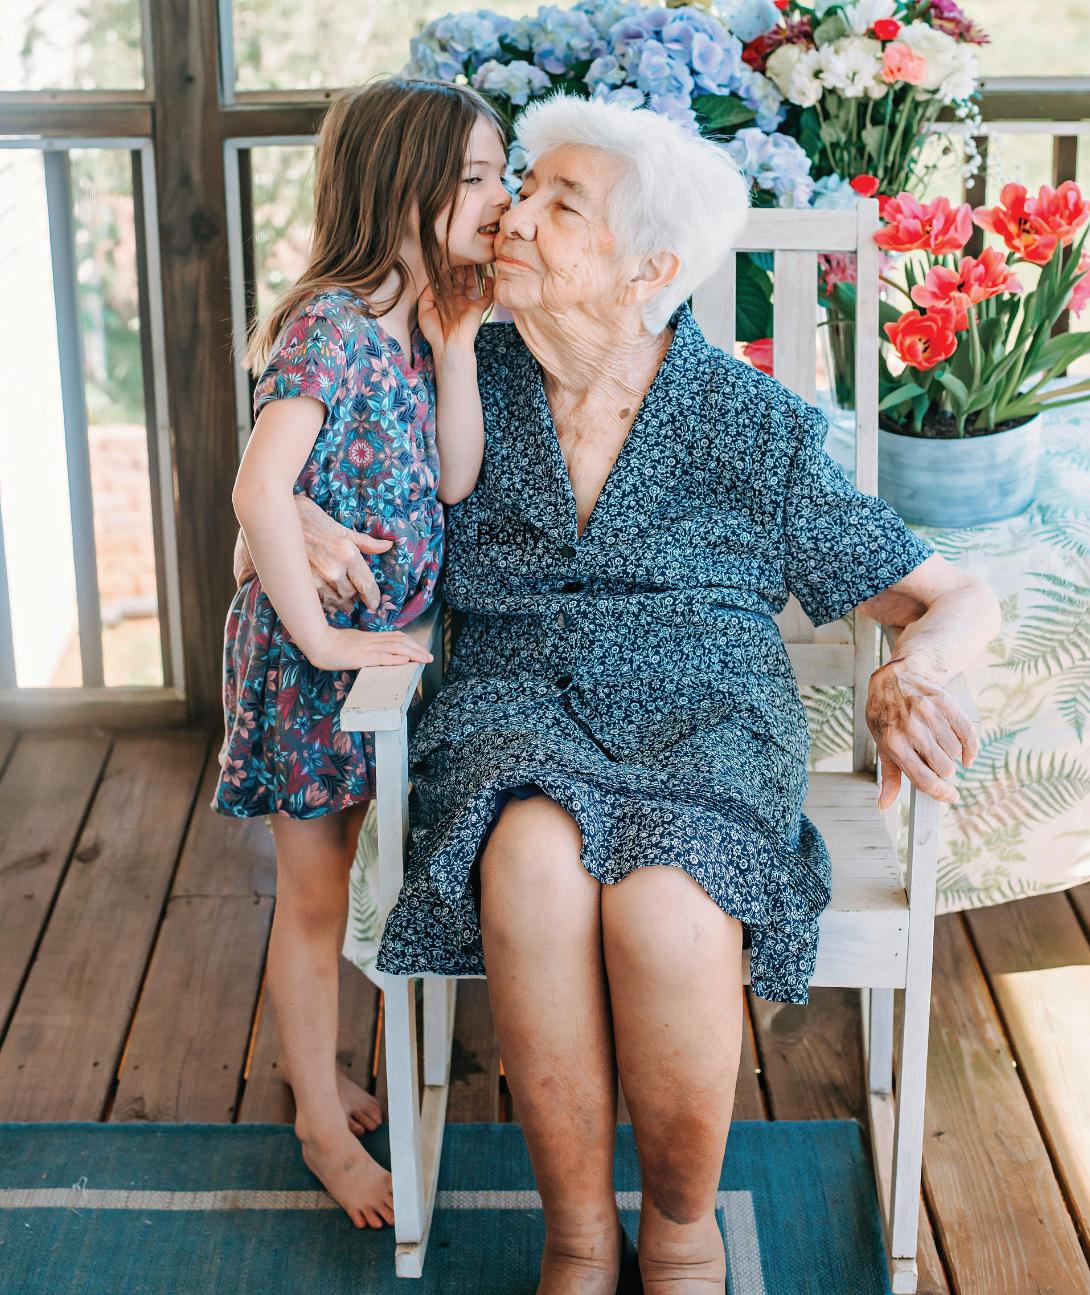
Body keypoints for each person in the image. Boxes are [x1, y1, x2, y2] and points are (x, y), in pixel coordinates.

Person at [236, 92, 1000, 1293]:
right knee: (532, 871)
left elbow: (952, 594)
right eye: (521, 186)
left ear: (647, 267)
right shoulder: (453, 359)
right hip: (512, 703)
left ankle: (683, 1231)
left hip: (709, 711)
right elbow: (294, 471)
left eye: (559, 203)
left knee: (671, 905)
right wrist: (289, 517)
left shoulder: (746, 422)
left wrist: (913, 672)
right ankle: (580, 1237)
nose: (513, 215)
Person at [211, 76, 510, 1232]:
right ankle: (318, 1125)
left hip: (382, 664)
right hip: (310, 668)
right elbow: (258, 489)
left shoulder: (415, 322)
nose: (499, 197)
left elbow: (453, 479)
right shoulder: (328, 326)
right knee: (314, 897)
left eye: (500, 173)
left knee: (349, 887)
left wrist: (459, 343)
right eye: (474, 178)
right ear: (402, 187)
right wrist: (321, 633)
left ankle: (317, 1065)